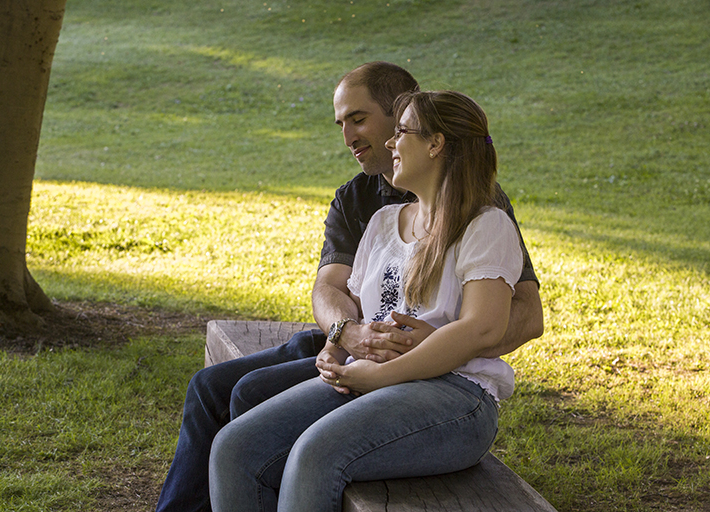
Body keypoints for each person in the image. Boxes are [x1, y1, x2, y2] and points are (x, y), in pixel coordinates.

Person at [155, 63, 543, 512]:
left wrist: (384, 371)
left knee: (313, 456)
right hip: (365, 372)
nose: (390, 143)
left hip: (452, 388)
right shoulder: (379, 220)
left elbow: (484, 326)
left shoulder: (485, 221)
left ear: (436, 144)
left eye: (400, 132)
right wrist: (336, 346)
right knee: (234, 447)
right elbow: (349, 299)